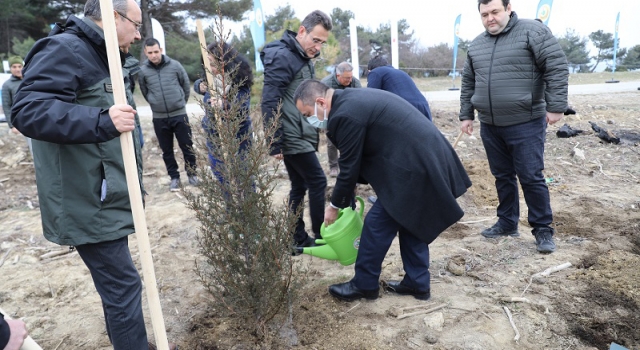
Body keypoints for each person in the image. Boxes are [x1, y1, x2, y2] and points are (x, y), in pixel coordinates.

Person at [10, 0, 176, 348]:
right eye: (135, 23)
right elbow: (27, 110)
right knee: (123, 285)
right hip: (87, 197)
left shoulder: (102, 54)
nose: (138, 33)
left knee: (118, 287)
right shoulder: (66, 49)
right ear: (113, 16)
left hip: (105, 192)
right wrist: (102, 120)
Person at [294, 79, 472, 302]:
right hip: (423, 159)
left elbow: (348, 167)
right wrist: (347, 196)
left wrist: (334, 205)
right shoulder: (351, 100)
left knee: (376, 226)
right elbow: (358, 158)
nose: (309, 119)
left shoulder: (344, 114)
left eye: (308, 113)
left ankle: (364, 285)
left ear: (320, 102)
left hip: (415, 166)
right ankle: (417, 283)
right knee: (410, 221)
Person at [459, 0, 569, 254]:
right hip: (490, 124)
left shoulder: (532, 31)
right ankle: (507, 222)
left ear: (508, 9)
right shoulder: (476, 44)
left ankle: (542, 229)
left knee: (530, 176)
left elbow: (555, 66)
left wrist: (556, 106)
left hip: (526, 122)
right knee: (502, 176)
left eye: (495, 12)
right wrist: (467, 115)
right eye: (484, 14)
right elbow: (468, 82)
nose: (490, 18)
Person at [260, 10, 332, 248]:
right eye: (316, 40)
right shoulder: (283, 57)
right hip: (291, 135)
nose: (318, 47)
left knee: (299, 185)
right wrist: (274, 140)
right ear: (302, 31)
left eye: (322, 42)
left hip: (302, 132)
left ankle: (297, 239)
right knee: (318, 181)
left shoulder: (300, 56)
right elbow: (270, 100)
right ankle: (321, 237)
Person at [138, 37, 198, 192]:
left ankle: (192, 175)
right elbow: (145, 92)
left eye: (156, 51)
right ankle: (175, 178)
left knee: (187, 145)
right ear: (146, 52)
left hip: (179, 115)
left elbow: (185, 85)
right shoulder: (143, 71)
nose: (154, 55)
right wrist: (155, 103)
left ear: (161, 50)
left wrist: (180, 103)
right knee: (167, 150)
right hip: (159, 118)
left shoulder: (175, 66)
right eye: (150, 52)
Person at [194, 41, 253, 182]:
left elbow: (242, 107)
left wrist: (224, 104)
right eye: (208, 64)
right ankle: (230, 205)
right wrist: (199, 86)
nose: (211, 69)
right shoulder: (210, 77)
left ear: (225, 62)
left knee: (243, 179)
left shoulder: (240, 79)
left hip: (238, 138)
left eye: (214, 64)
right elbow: (199, 83)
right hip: (215, 138)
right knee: (223, 180)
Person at [320, 61, 361, 178]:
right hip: (331, 114)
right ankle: (333, 166)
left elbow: (360, 99)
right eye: (347, 78)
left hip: (350, 114)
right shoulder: (326, 84)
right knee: (331, 142)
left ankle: (347, 165)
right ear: (338, 75)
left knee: (349, 141)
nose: (350, 80)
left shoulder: (354, 82)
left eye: (351, 77)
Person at [366, 56, 432, 121]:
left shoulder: (375, 72)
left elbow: (371, 98)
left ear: (369, 70)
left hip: (405, 108)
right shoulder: (400, 72)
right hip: (423, 106)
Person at [2, 55, 33, 158]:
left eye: (19, 66)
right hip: (23, 120)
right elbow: (7, 106)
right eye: (14, 67)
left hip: (36, 116)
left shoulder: (29, 80)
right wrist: (12, 125)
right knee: (33, 146)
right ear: (10, 68)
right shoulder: (7, 85)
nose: (17, 69)